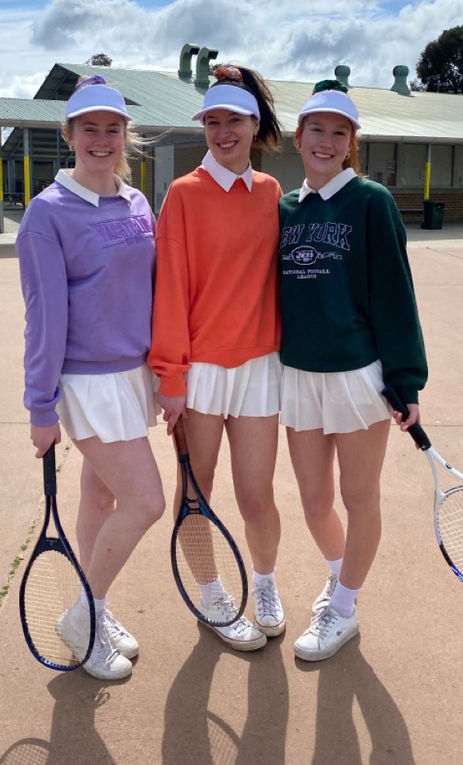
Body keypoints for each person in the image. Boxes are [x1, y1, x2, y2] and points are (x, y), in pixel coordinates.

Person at [16, 76, 165, 681]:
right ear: (69, 135)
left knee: (100, 496)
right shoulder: (46, 214)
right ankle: (85, 614)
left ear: (125, 135)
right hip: (87, 382)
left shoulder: (137, 203)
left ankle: (92, 610)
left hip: (134, 375)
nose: (102, 139)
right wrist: (40, 407)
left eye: (112, 128)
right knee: (146, 501)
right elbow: (44, 317)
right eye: (89, 129)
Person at [278, 82, 427, 661]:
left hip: (357, 378)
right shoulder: (286, 208)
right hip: (298, 377)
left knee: (358, 495)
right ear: (300, 136)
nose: (326, 141)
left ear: (350, 144)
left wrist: (406, 380)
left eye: (339, 133)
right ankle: (340, 584)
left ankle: (343, 609)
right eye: (317, 129)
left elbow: (396, 294)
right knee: (315, 500)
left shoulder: (370, 201)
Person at [149, 65, 285, 651]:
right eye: (212, 121)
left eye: (233, 120)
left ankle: (266, 583)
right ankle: (211, 596)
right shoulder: (183, 195)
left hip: (260, 368)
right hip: (200, 371)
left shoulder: (272, 193)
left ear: (255, 125)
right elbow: (170, 289)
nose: (222, 131)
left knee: (258, 496)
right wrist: (170, 376)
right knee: (196, 491)